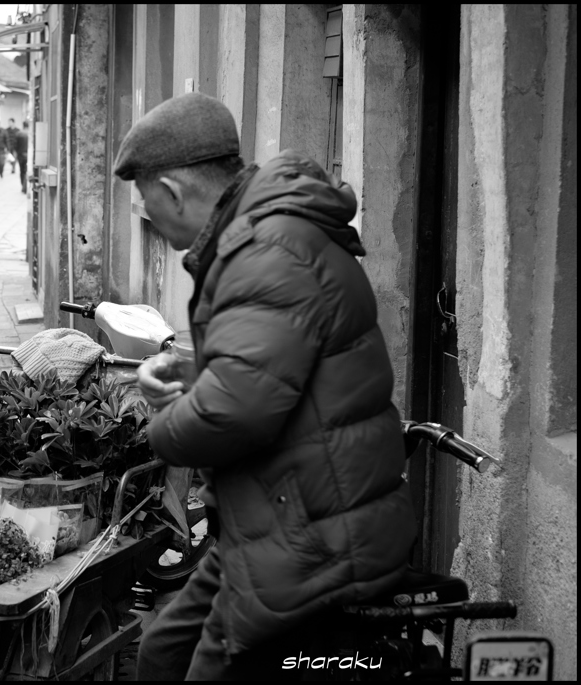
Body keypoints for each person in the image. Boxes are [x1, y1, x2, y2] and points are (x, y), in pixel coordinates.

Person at [116, 93, 417, 680]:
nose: (150, 216)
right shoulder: (256, 240)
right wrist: (189, 378)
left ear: (173, 191)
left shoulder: (267, 253)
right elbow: (263, 372)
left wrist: (161, 428)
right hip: (273, 515)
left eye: (147, 201)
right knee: (161, 653)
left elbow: (233, 413)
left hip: (313, 537)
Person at [14, 120, 30, 194]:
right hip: (28, 156)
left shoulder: (18, 134)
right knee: (27, 171)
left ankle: (23, 186)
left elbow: (15, 146)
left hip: (20, 155)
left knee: (22, 171)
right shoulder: (30, 134)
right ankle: (25, 187)